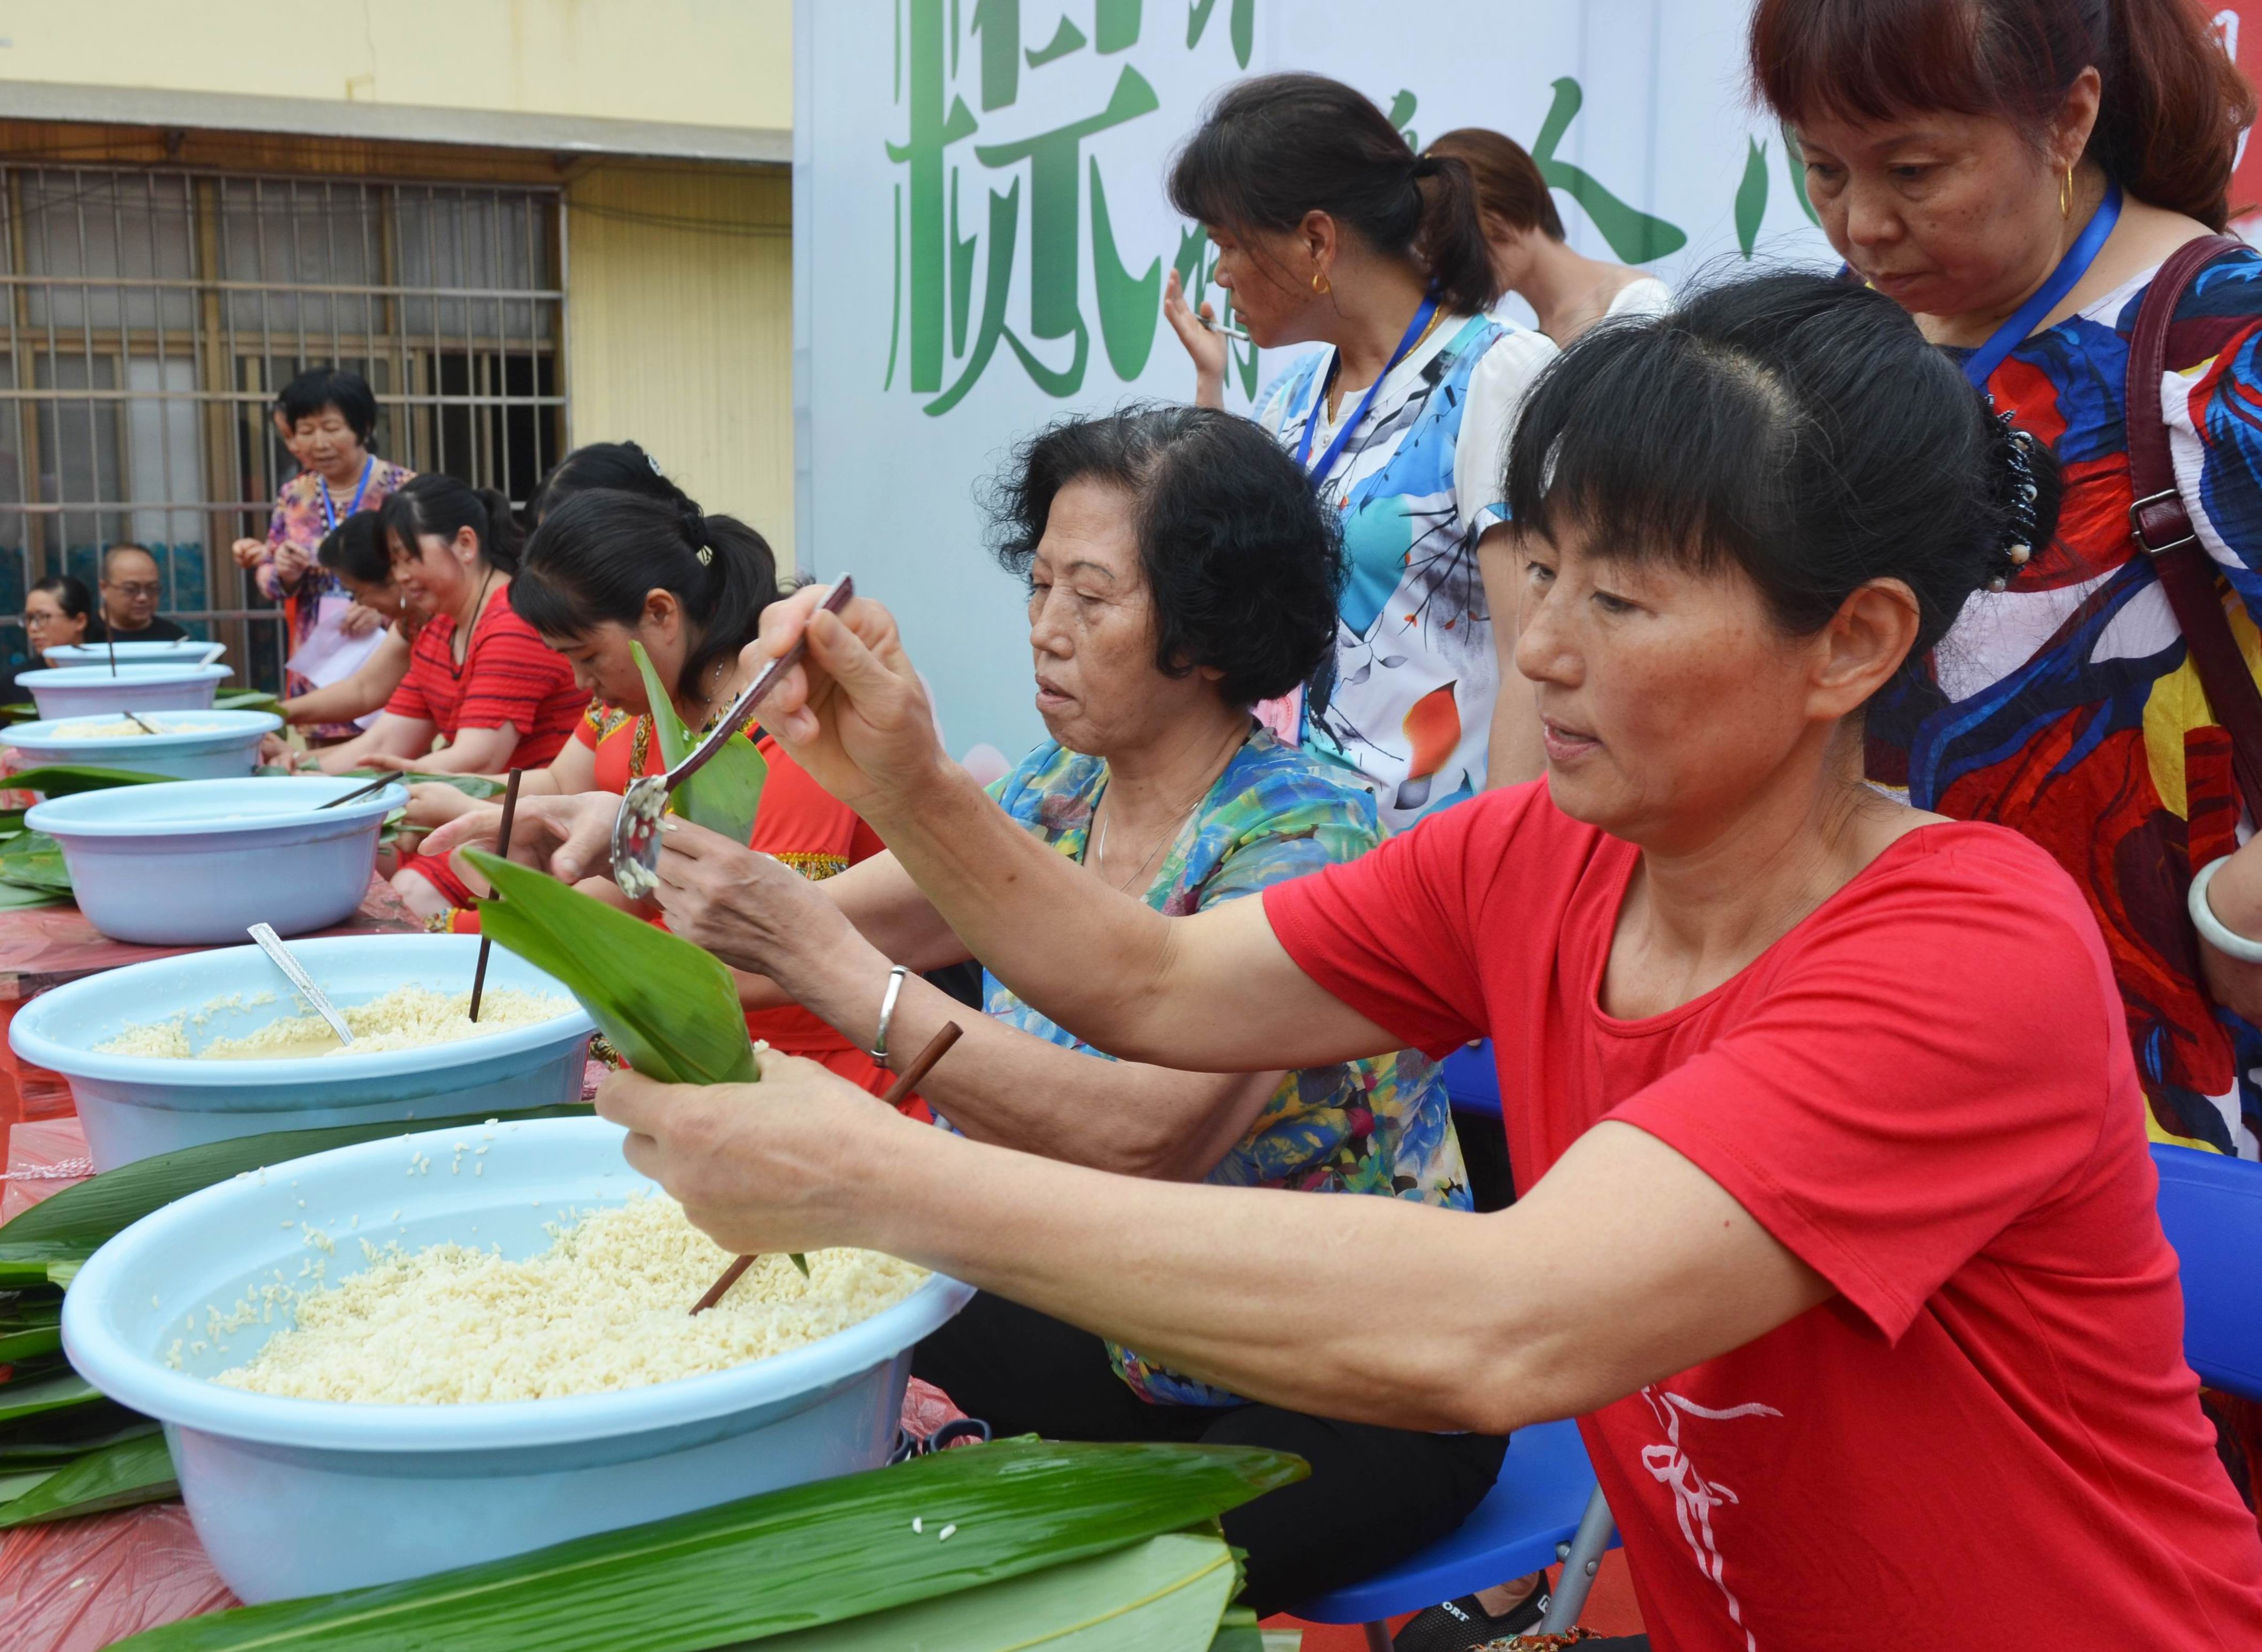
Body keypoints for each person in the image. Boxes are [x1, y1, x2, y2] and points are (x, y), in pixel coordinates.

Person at [437, 276, 2262, 1645]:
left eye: (1619, 598)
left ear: (1852, 644)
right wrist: (908, 774)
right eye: (1536, 571)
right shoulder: (1534, 851)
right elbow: (1147, 983)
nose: (1538, 651)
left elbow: (1508, 1319)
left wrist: (880, 1178)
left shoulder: (1965, 948)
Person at [430, 406, 1487, 1613]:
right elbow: (829, 923)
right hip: (1121, 1327)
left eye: (1092, 599)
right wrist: (613, 843)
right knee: (768, 1375)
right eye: (1038, 583)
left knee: (996, 1592)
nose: (1044, 628)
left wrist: (836, 975)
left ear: (1209, 623)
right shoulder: (1059, 787)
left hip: (1334, 1378)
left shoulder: (1308, 832)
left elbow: (1144, 1134)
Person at [1752, 0, 2262, 1504]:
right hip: (1897, 1059)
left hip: (2178, 1079)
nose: (1862, 224)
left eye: (1909, 170)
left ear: (2066, 118)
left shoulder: (2216, 341)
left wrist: (2243, 903)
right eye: (1821, 172)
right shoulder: (1850, 355)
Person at [1158, 73, 1557, 830]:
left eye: (1229, 243)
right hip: (1282, 852)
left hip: (1428, 866)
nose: (1220, 272)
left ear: (1316, 239)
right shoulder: (1293, 398)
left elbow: (1534, 658)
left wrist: (1500, 879)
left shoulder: (1495, 375)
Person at [303, 474, 584, 784]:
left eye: (409, 558)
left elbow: (477, 760)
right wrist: (298, 770)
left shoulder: (512, 622)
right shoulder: (439, 628)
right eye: (394, 563)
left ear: (465, 544)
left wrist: (382, 783)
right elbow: (384, 741)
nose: (402, 576)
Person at [230, 367, 412, 736]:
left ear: (363, 427)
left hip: (390, 653)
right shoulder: (295, 494)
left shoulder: (403, 490)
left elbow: (426, 572)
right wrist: (283, 571)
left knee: (391, 751)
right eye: (306, 431)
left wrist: (384, 608)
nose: (319, 443)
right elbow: (268, 577)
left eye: (331, 429)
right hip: (320, 656)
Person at [1422, 128, 1672, 344]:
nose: (1452, 269)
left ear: (1498, 222)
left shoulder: (1635, 300)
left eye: (1457, 245)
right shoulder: (1523, 341)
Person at [274, 512, 413, 733]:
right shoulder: (410, 626)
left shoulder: (438, 624)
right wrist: (275, 714)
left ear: (394, 576)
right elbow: (364, 689)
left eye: (358, 592)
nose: (358, 603)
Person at [3, 575, 97, 709]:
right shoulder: (16, 682)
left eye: (42, 617)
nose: (32, 628)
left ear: (79, 621)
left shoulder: (105, 671)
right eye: (29, 618)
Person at [95, 546, 187, 643]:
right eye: (131, 589)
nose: (143, 598)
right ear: (104, 588)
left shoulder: (174, 639)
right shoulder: (83, 634)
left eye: (152, 588)